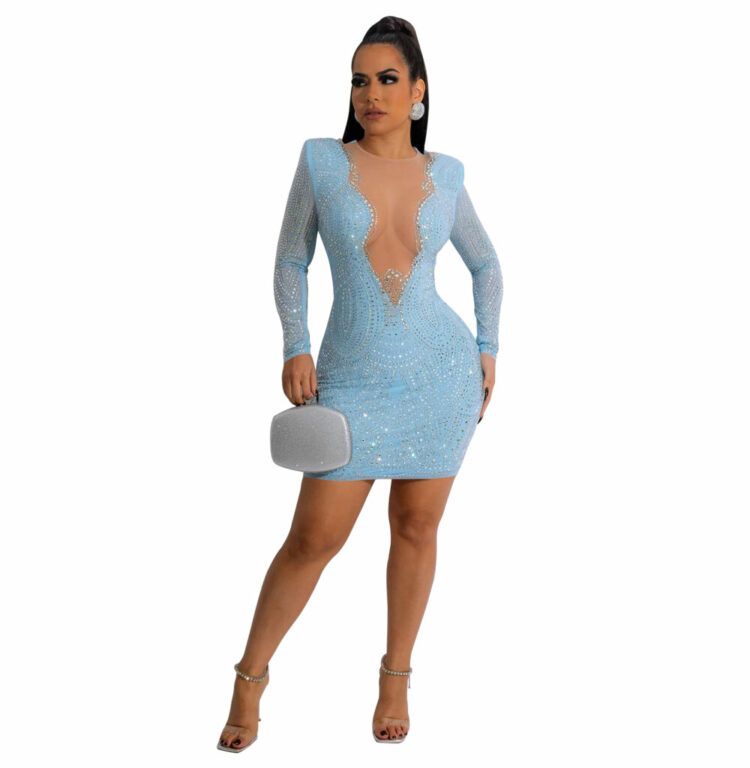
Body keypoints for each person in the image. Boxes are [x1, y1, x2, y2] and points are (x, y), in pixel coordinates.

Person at [218, 15, 503, 751]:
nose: (370, 94)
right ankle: (249, 678)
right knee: (313, 539)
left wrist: (487, 347)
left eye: (386, 79)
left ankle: (395, 678)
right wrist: (295, 344)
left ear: (418, 91)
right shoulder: (321, 161)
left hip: (442, 380)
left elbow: (485, 265)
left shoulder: (447, 174)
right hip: (349, 383)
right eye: (358, 80)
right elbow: (290, 260)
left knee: (416, 529)